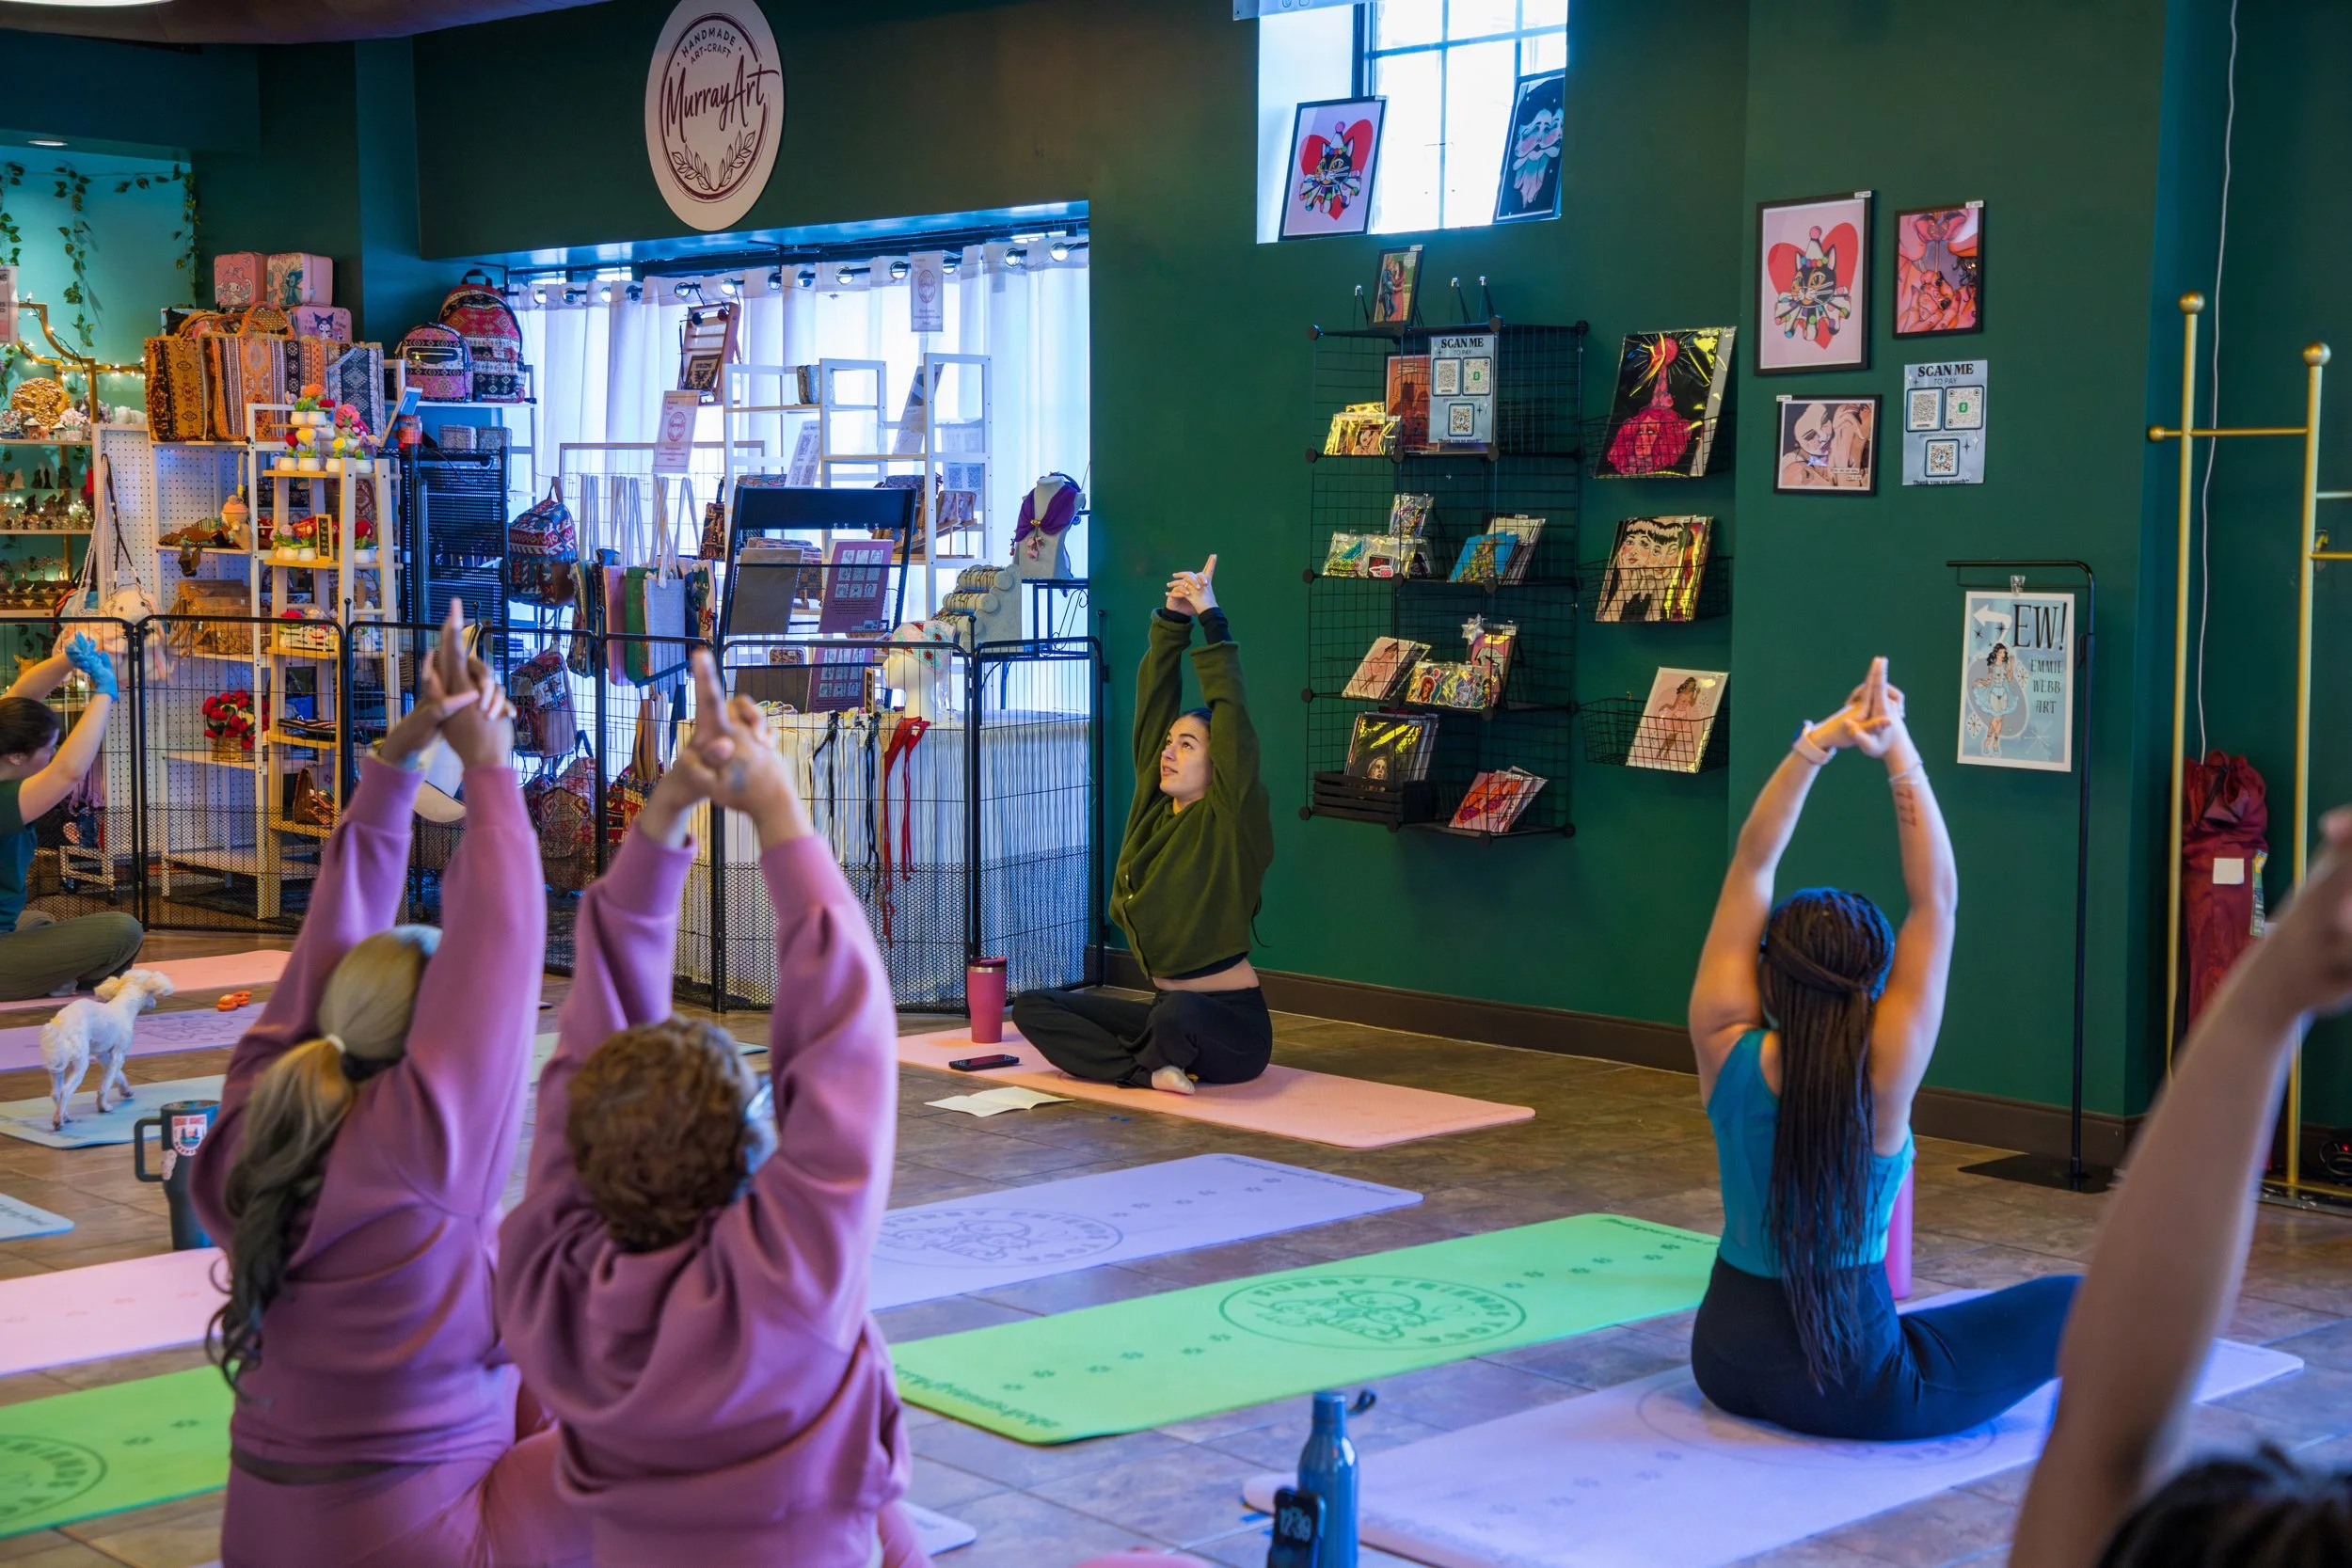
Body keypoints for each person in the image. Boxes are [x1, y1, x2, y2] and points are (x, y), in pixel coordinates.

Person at [497, 652, 930, 1568]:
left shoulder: (546, 1284)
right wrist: (773, 805)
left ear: (581, 1158)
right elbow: (848, 1034)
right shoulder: (791, 1278)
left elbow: (587, 1044)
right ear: (749, 1148)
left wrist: (663, 816)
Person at [189, 604, 587, 1568]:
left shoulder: (254, 1118)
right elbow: (501, 931)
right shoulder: (422, 1148)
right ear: (424, 1049)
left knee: (538, 1353)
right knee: (651, 1435)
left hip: (266, 1533)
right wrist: (489, 764)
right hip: (414, 1538)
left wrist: (403, 751)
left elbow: (331, 929)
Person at [1685, 657, 2077, 1440]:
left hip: (1722, 1360)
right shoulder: (1886, 1069)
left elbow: (1752, 862)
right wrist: (1897, 748)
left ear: (1767, 967)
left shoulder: (1723, 1040)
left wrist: (1817, 746)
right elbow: (1938, 898)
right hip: (1848, 1379)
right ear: (1874, 987)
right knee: (2077, 1299)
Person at [2012, 811, 2352, 1567]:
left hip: (1734, 1354)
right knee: (2058, 1304)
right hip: (1859, 1377)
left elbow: (2103, 1443)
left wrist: (2272, 993)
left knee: (2069, 1319)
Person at [1010, 555, 1275, 1095]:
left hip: (1228, 1025)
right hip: (1164, 1008)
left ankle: (1152, 1059)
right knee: (1036, 1008)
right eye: (1170, 743)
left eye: (1189, 744)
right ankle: (1148, 1068)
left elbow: (1233, 714)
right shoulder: (1153, 810)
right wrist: (1172, 621)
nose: (1170, 753)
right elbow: (1152, 707)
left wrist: (1211, 619)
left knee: (1178, 1016)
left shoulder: (1229, 815)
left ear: (1218, 760)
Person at [0, 632, 141, 999]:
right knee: (123, 931)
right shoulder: (6, 799)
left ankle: (46, 977)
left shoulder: (7, 760)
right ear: (16, 756)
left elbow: (16, 703)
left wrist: (68, 660)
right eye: (49, 748)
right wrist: (105, 693)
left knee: (38, 921)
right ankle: (55, 981)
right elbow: (69, 772)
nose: (54, 753)